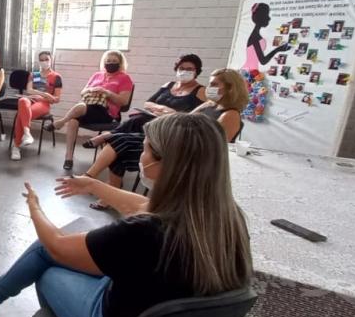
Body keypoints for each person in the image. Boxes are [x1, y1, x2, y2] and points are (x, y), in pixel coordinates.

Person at [0, 113, 252, 317]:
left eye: (146, 148)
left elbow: (57, 244)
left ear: (167, 164)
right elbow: (144, 206)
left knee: (46, 260)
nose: (141, 155)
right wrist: (94, 185)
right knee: (80, 238)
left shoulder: (146, 232)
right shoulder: (226, 218)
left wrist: (34, 208)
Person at [81, 67, 248, 210]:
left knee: (121, 142)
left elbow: (213, 147)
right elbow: (184, 120)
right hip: (175, 142)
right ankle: (106, 187)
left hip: (186, 154)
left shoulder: (230, 115)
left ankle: (93, 179)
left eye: (214, 84)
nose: (210, 88)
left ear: (230, 88)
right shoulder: (209, 104)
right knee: (119, 144)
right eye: (210, 83)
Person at [83, 53, 205, 148]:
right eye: (181, 68)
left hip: (172, 126)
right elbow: (147, 103)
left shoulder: (201, 90)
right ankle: (110, 138)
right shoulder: (169, 85)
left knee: (133, 126)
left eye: (189, 69)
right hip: (153, 118)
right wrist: (161, 108)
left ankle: (107, 136)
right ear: (177, 69)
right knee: (137, 118)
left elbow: (199, 117)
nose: (184, 71)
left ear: (197, 71)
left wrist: (173, 113)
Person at [48, 50, 133, 171]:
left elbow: (123, 102)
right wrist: (91, 90)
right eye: (108, 61)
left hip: (107, 114)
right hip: (89, 108)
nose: (110, 63)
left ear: (120, 63)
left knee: (81, 107)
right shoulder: (97, 75)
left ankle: (61, 122)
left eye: (114, 61)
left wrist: (106, 92)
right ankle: (68, 157)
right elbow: (83, 92)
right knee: (73, 121)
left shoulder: (125, 78)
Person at [10, 51, 63, 161]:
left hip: (43, 104)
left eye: (46, 59)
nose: (44, 62)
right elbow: (29, 90)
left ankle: (16, 146)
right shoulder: (35, 75)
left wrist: (45, 97)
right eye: (41, 60)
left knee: (21, 115)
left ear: (51, 60)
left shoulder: (56, 77)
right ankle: (27, 133)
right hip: (31, 100)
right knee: (23, 100)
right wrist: (45, 94)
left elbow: (56, 99)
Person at [243, 3, 290, 71]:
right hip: (250, 70)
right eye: (267, 15)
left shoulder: (255, 35)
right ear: (261, 17)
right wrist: (277, 49)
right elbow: (263, 61)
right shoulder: (255, 37)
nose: (269, 18)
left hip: (252, 69)